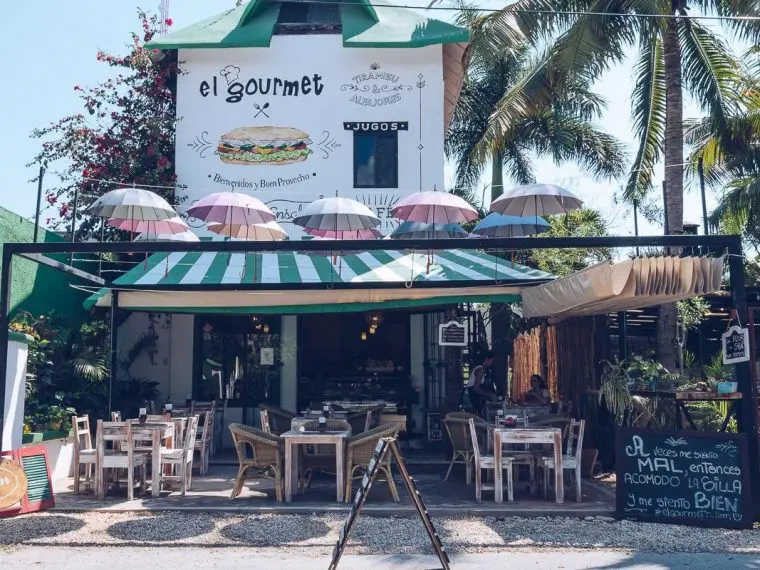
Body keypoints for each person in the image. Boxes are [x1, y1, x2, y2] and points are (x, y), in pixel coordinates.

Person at [465, 350, 496, 416]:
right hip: (473, 399)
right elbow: (476, 388)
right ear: (486, 359)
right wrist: (488, 395)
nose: (492, 364)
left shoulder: (478, 368)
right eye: (492, 361)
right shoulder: (480, 370)